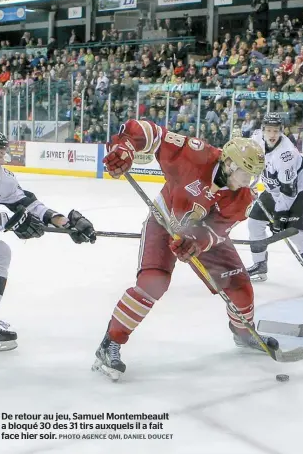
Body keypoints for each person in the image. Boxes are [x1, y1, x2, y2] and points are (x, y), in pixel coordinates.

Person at [95, 119, 273, 381]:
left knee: (240, 287)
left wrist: (196, 243)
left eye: (253, 176)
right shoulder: (196, 154)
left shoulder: (243, 198)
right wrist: (125, 149)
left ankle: (243, 332)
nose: (249, 182)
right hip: (164, 219)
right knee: (152, 283)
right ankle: (110, 343)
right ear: (230, 164)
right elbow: (152, 133)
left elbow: (217, 230)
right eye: (246, 174)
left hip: (199, 232)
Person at [0, 129, 96, 352]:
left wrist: (63, 222)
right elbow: (10, 217)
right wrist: (9, 220)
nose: (3, 159)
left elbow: (27, 204)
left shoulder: (0, 178)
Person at [248, 113, 303, 295]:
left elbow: (289, 190)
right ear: (262, 130)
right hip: (273, 189)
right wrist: (248, 183)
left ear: (281, 131)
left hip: (298, 192)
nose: (271, 134)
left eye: (275, 131)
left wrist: (280, 215)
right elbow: (250, 164)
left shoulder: (286, 154)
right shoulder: (255, 140)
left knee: (296, 234)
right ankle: (259, 265)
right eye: (268, 130)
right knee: (255, 223)